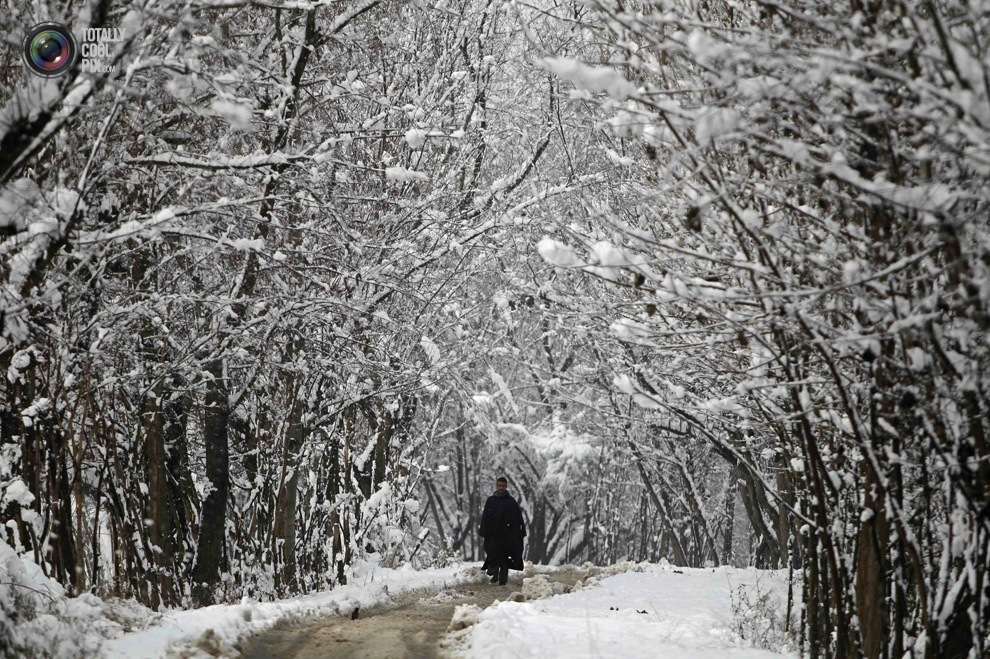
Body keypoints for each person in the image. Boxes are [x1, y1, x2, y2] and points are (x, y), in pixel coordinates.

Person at [479, 476, 526, 585]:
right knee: (493, 555)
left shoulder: (511, 502)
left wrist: (519, 532)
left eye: (503, 486)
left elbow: (517, 518)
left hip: (506, 537)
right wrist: (484, 531)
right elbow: (485, 517)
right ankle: (495, 575)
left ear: (506, 487)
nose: (501, 488)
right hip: (493, 535)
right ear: (496, 486)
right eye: (499, 485)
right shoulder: (491, 500)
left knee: (504, 558)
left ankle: (502, 581)